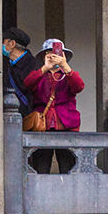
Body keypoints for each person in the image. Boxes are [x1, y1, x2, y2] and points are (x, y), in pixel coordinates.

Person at [24, 38, 82, 171]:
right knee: (41, 167)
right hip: (43, 126)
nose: (54, 56)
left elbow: (79, 86)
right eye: (50, 53)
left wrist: (65, 66)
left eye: (57, 53)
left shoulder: (68, 75)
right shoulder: (39, 75)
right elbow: (27, 84)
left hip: (67, 125)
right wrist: (45, 68)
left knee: (68, 166)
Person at [2, 27, 38, 111]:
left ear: (12, 44)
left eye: (3, 42)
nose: (2, 45)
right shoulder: (8, 65)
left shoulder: (34, 65)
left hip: (29, 116)